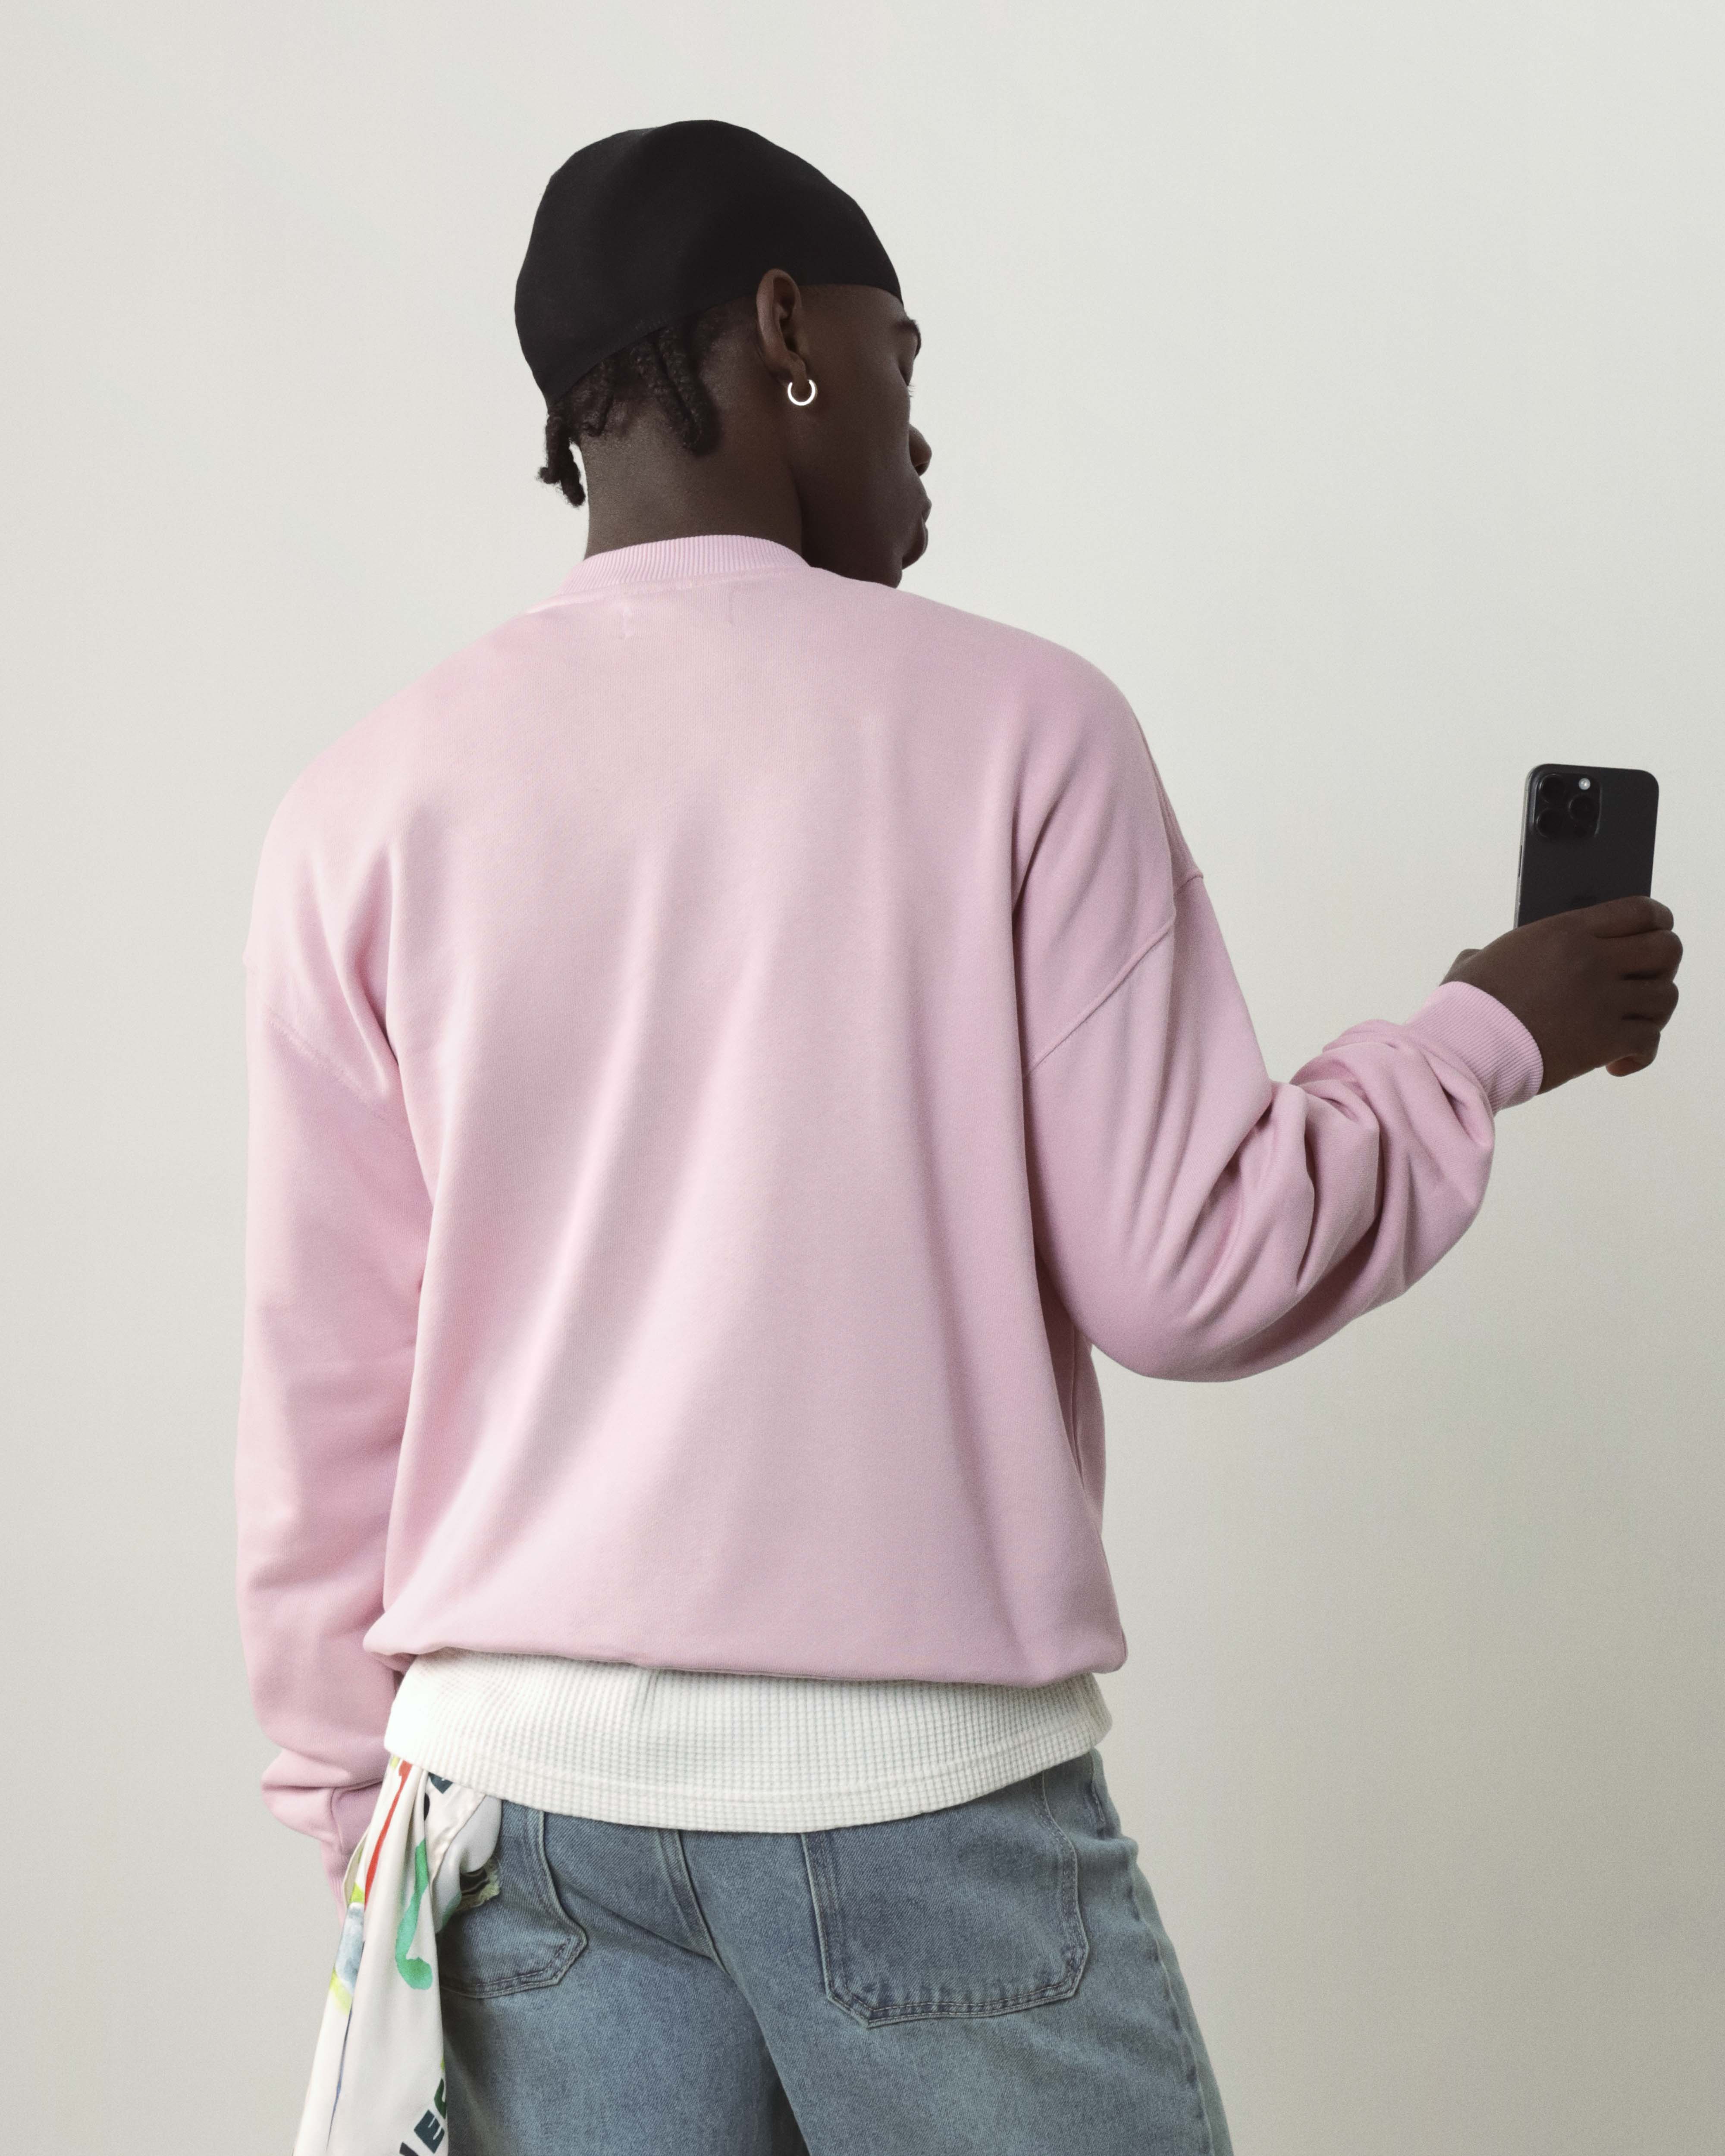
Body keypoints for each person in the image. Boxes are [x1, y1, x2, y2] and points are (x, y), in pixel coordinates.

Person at [236, 119, 1684, 2156]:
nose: (921, 430)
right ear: (783, 331)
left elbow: (325, 1379)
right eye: (898, 357)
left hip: (512, 1825)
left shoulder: (361, 805)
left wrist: (349, 1808)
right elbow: (1191, 1267)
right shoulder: (1019, 726)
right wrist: (1483, 1031)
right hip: (918, 1810)